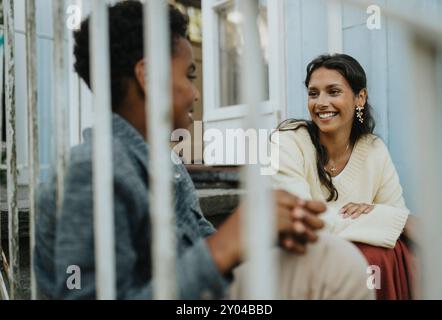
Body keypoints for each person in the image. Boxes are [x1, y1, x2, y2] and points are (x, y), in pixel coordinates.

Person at [34, 2, 372, 300]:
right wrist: (224, 245)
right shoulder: (92, 172)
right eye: (189, 75)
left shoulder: (163, 161)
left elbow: (201, 242)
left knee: (330, 258)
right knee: (337, 268)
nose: (196, 94)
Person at [271, 53, 415, 299]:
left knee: (399, 253)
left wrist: (384, 216)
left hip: (361, 272)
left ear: (360, 98)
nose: (321, 103)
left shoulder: (373, 149)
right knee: (374, 255)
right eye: (313, 93)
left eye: (333, 92)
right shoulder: (287, 141)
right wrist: (391, 219)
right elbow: (302, 223)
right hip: (301, 265)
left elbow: (394, 215)